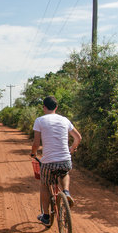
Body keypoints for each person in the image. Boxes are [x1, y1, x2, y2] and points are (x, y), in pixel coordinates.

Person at [30, 96, 82, 226]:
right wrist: (71, 149)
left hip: (48, 162)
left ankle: (46, 216)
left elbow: (36, 143)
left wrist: (33, 153)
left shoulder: (39, 121)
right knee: (64, 173)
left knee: (44, 184)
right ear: (56, 107)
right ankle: (66, 192)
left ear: (44, 107)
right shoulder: (65, 120)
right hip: (65, 160)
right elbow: (78, 138)